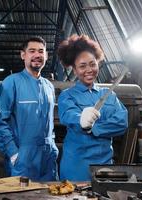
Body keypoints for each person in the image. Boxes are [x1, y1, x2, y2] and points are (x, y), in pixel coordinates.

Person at [57, 34, 128, 181]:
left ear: (98, 64)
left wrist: (93, 128)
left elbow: (122, 123)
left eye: (92, 64)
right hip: (76, 168)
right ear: (75, 70)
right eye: (82, 66)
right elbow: (68, 116)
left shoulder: (109, 95)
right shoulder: (67, 96)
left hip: (104, 166)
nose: (89, 70)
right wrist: (81, 120)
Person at [0, 36, 59, 181]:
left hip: (48, 158)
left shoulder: (49, 86)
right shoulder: (11, 83)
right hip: (23, 158)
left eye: (41, 51)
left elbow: (50, 123)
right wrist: (13, 153)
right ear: (23, 55)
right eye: (32, 51)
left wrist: (53, 147)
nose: (37, 55)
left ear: (46, 56)